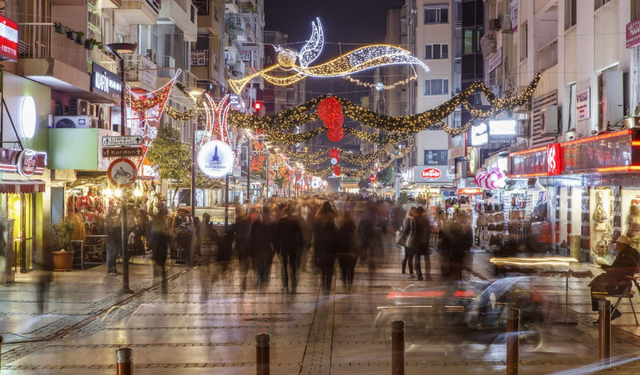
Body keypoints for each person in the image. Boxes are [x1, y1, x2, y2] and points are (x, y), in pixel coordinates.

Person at [590, 236, 640, 322]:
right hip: (619, 282)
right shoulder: (625, 254)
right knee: (596, 288)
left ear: (624, 246)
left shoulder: (628, 257)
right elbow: (617, 269)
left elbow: (619, 271)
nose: (616, 247)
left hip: (621, 285)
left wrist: (605, 267)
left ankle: (607, 313)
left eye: (619, 245)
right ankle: (608, 312)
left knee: (596, 290)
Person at [276, 206, 303, 292]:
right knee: (292, 263)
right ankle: (293, 277)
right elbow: (300, 234)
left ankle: (285, 281)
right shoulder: (294, 221)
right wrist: (301, 245)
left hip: (284, 245)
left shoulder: (280, 222)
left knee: (284, 264)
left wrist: (277, 246)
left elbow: (277, 235)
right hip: (293, 244)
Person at [314, 201, 338, 291]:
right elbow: (336, 230)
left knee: (323, 263)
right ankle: (328, 281)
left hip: (321, 240)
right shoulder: (332, 216)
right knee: (330, 264)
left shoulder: (318, 216)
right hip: (331, 242)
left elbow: (315, 230)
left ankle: (324, 278)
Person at [149, 208, 170, 293]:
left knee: (159, 266)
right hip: (162, 249)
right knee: (163, 268)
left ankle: (158, 285)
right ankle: (163, 286)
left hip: (157, 249)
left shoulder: (155, 225)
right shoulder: (163, 227)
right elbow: (167, 239)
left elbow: (153, 239)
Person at [337, 211, 359, 289]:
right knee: (351, 268)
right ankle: (350, 282)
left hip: (342, 252)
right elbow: (357, 239)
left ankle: (345, 282)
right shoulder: (353, 228)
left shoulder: (340, 230)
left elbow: (337, 241)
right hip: (352, 251)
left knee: (343, 268)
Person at [413, 207, 432, 281]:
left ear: (417, 212)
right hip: (425, 241)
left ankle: (419, 275)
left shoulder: (415, 220)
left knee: (417, 258)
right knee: (427, 259)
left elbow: (414, 230)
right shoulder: (426, 219)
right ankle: (428, 275)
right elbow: (429, 229)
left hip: (417, 241)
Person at [400, 208, 417, 278]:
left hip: (408, 240)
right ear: (412, 212)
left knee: (409, 257)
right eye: (415, 212)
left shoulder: (408, 219)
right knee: (408, 257)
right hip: (409, 240)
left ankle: (409, 272)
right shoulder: (410, 219)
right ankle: (405, 272)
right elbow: (406, 230)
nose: (416, 214)